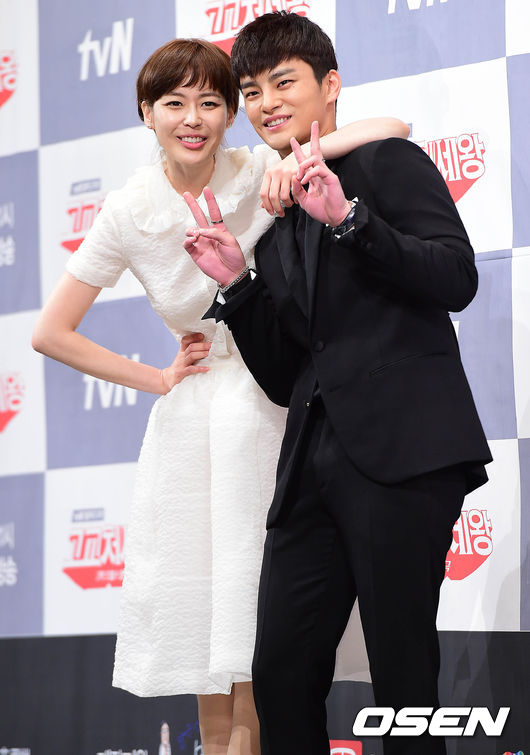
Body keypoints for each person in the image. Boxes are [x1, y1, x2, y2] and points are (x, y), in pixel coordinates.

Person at [31, 37, 409, 755]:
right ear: (146, 112)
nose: (193, 118)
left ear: (231, 115)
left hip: (269, 404)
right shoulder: (127, 210)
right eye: (174, 103)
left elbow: (393, 128)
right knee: (208, 635)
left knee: (263, 632)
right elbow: (51, 332)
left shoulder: (257, 169)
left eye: (211, 102)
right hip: (192, 425)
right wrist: (158, 378)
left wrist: (299, 161)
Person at [182, 12, 493, 755]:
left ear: (330, 86)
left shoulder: (386, 164)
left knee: (402, 671)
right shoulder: (276, 224)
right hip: (310, 465)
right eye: (252, 91)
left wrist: (352, 220)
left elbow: (457, 277)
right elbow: (287, 374)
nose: (266, 103)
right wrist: (238, 286)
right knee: (281, 671)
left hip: (403, 451)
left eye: (282, 83)